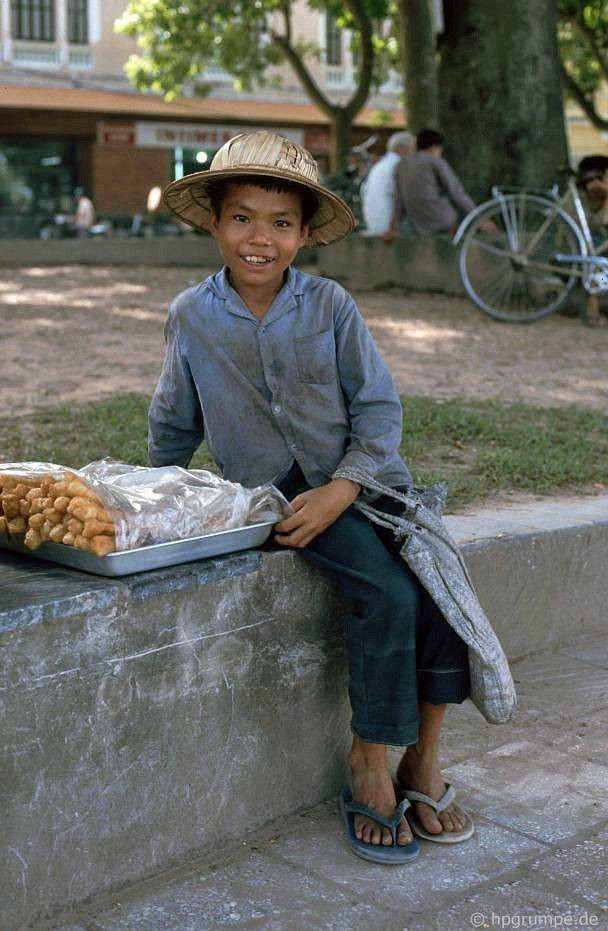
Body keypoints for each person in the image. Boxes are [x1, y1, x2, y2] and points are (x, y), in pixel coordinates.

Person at [148, 130, 482, 863]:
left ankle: (422, 759)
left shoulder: (329, 305)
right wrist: (146, 505)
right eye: (241, 217)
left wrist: (346, 484)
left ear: (303, 234)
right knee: (389, 594)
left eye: (279, 223)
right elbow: (174, 419)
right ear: (215, 222)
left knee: (439, 581)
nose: (258, 238)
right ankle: (369, 758)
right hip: (280, 498)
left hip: (359, 481)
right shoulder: (193, 315)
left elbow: (379, 408)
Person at [395, 128, 491, 237]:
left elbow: (399, 199)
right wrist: (481, 218)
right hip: (443, 221)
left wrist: (394, 226)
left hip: (418, 224)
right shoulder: (435, 161)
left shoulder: (401, 165)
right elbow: (457, 192)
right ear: (435, 147)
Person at [360, 131, 415, 237]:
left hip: (373, 224)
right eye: (413, 149)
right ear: (401, 148)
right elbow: (405, 197)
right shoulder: (400, 164)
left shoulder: (380, 165)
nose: (414, 153)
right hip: (389, 227)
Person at [576, 155, 608, 327]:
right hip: (577, 251)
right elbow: (604, 222)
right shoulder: (580, 200)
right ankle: (591, 309)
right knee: (595, 254)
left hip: (590, 248)